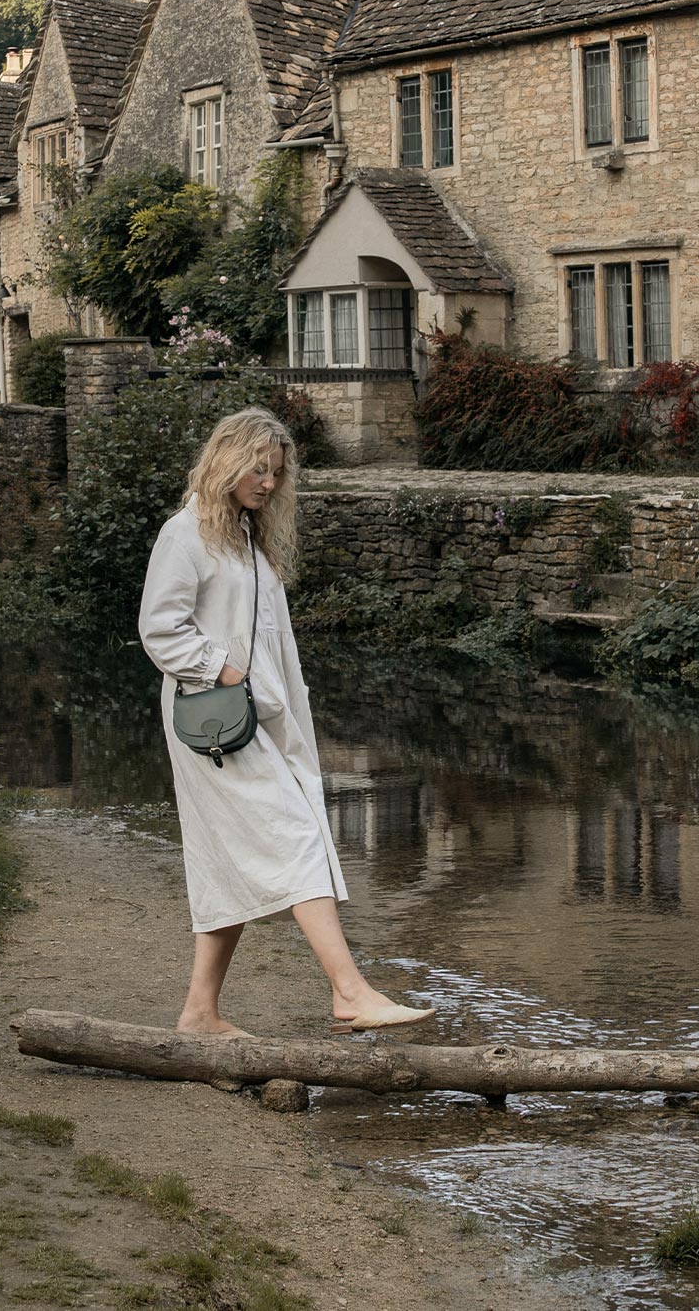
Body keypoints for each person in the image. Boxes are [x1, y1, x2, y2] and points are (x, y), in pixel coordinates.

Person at [139, 405, 435, 1038]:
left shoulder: (245, 537)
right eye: (259, 470)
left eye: (276, 473)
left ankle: (198, 1014)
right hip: (213, 725)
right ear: (226, 460)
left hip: (259, 717)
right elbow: (159, 627)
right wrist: (222, 670)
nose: (270, 484)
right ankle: (350, 992)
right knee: (297, 834)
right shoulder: (184, 534)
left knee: (228, 862)